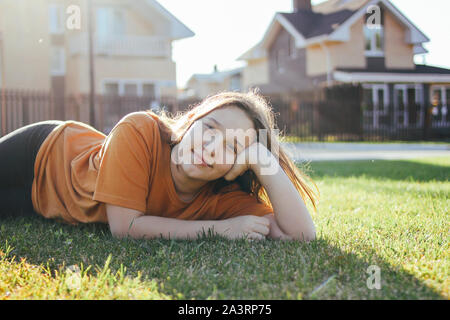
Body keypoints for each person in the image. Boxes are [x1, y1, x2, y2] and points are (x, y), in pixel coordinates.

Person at [0, 91, 319, 241]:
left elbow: (301, 235)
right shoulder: (140, 130)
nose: (210, 148)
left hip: (42, 204)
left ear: (238, 165)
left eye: (232, 147)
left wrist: (262, 159)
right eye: (210, 128)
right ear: (192, 119)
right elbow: (125, 229)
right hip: (43, 153)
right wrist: (220, 230)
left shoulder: (220, 196)